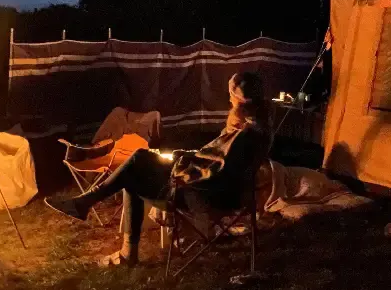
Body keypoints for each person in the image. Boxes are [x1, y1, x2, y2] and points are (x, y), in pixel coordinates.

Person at [44, 72, 269, 266]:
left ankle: (94, 214)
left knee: (137, 163)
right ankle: (92, 212)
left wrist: (182, 162)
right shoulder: (257, 131)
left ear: (237, 100)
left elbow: (213, 169)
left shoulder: (243, 136)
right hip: (220, 193)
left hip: (202, 196)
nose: (229, 101)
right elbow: (215, 160)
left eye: (231, 97)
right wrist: (189, 156)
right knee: (136, 168)